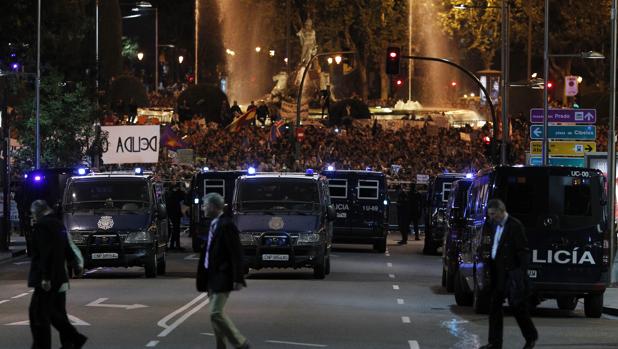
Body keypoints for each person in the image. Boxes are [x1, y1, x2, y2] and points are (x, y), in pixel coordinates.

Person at [28, 200, 87, 349]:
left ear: (38, 212)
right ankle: (71, 340)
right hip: (59, 276)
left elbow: (44, 253)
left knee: (38, 314)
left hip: (47, 277)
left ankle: (71, 339)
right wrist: (75, 264)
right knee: (53, 312)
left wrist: (45, 277)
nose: (33, 217)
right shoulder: (58, 224)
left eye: (33, 214)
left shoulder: (42, 226)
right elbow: (67, 246)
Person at [480, 199, 537, 349]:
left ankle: (531, 337)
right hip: (498, 272)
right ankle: (494, 342)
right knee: (494, 307)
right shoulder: (494, 225)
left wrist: (520, 274)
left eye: (493, 214)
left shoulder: (514, 225)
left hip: (511, 273)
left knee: (518, 307)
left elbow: (523, 251)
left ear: (500, 211)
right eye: (490, 214)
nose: (491, 217)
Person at [196, 193, 250, 349]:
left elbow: (236, 252)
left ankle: (240, 343)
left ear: (213, 207)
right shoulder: (214, 224)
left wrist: (238, 277)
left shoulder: (227, 225)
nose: (203, 208)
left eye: (205, 205)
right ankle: (221, 346)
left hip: (223, 275)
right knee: (214, 318)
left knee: (215, 312)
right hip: (211, 276)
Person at [167, 183, 186, 251]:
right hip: (175, 214)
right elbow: (183, 196)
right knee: (176, 230)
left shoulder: (171, 194)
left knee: (175, 230)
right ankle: (176, 245)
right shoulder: (174, 195)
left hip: (173, 214)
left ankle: (173, 245)